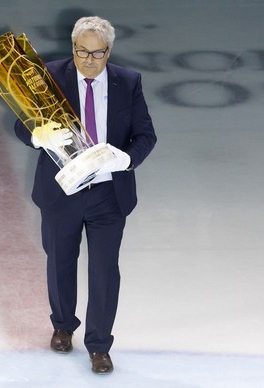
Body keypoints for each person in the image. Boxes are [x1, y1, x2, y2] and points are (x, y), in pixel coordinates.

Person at [14, 16, 157, 374]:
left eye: (97, 53)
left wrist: (126, 159)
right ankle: (63, 325)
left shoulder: (128, 82)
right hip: (62, 191)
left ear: (109, 51)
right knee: (60, 260)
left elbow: (145, 135)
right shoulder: (48, 77)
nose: (89, 60)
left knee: (105, 270)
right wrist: (38, 137)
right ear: (73, 47)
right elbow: (22, 124)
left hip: (109, 193)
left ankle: (99, 346)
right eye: (82, 51)